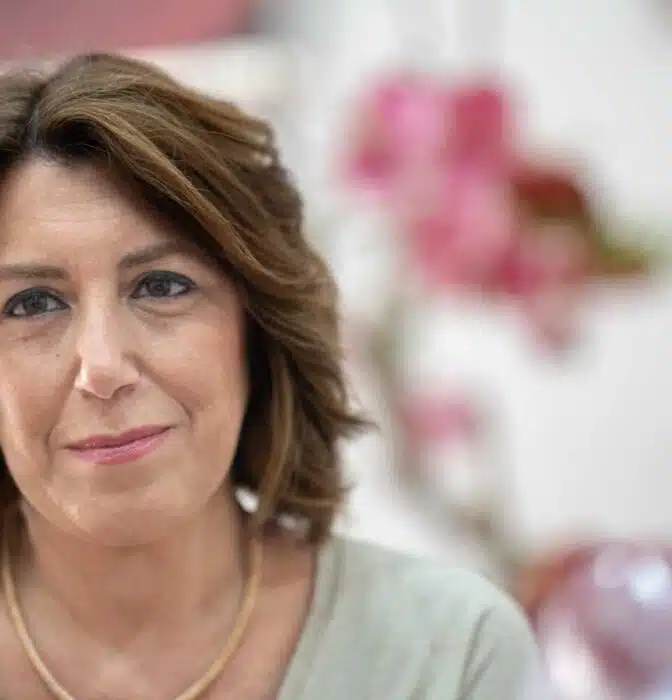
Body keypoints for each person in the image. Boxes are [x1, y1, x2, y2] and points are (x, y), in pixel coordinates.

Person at [0, 53, 538, 699]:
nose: (104, 367)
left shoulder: (453, 653)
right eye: (31, 303)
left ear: (256, 330)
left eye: (161, 286)